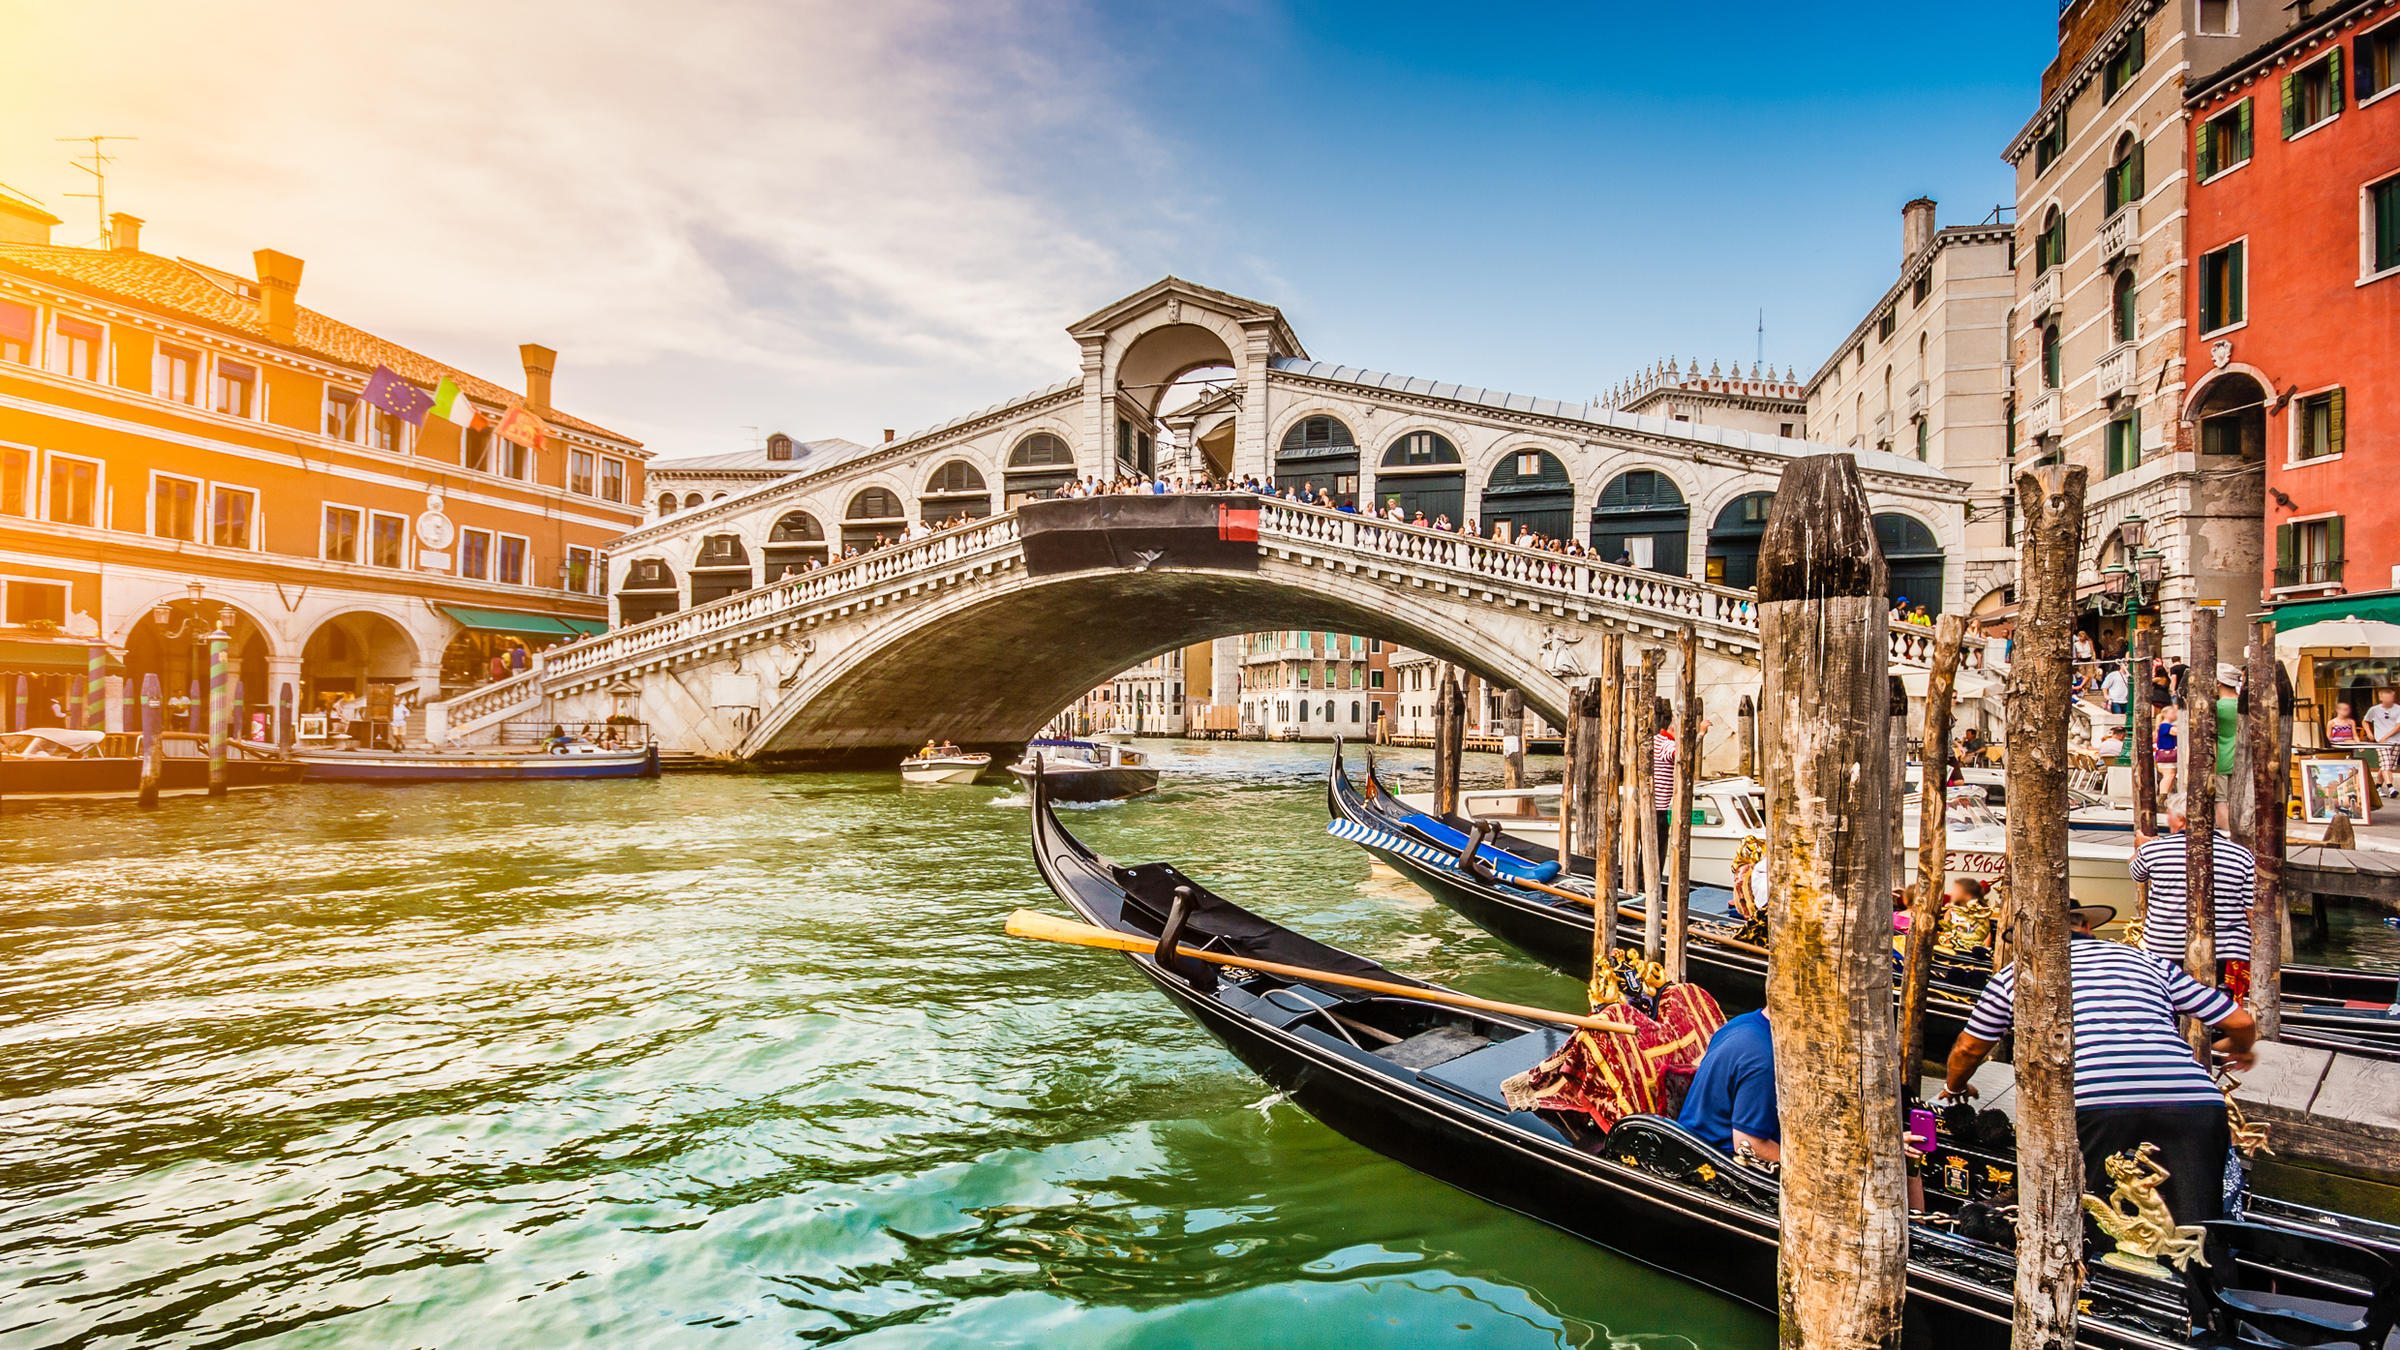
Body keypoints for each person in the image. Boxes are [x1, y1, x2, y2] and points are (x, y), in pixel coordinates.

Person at [1945, 900, 2255, 1230]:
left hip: (2093, 1101)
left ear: (2027, 940)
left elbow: (1968, 1049)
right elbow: (2240, 1021)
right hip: (2193, 1100)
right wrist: (2242, 1051)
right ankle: (2205, 1278)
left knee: (2089, 1215)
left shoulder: (2016, 974)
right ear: (2086, 928)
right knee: (2199, 1222)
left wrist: (1955, 1086)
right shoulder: (2149, 962)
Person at [2129, 790, 2257, 996]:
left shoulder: (2153, 850)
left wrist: (2139, 848)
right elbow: (2252, 910)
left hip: (2166, 948)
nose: (2166, 818)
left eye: (2168, 813)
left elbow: (2137, 874)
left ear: (2180, 819)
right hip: (2228, 949)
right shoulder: (2241, 855)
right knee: (2221, 1006)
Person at [1677, 1007, 1779, 1161]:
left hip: (1696, 1140)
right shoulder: (1766, 1062)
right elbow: (1748, 1144)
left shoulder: (1742, 1021)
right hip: (1717, 1161)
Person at [2367, 689, 2400, 798]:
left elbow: (2398, 726)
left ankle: (2378, 786)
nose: (2389, 699)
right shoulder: (2374, 710)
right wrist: (2369, 732)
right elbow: (2365, 721)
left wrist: (2386, 737)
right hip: (2381, 743)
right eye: (2386, 697)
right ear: (2381, 698)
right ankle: (2391, 787)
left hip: (2396, 741)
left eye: (2390, 697)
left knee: (2387, 766)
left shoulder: (2398, 709)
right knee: (2386, 763)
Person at [2153, 703, 2180, 796]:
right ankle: (2163, 796)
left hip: (2167, 754)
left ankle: (2165, 796)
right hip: (2167, 753)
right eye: (2173, 712)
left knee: (2171, 775)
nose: (2175, 714)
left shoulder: (2164, 725)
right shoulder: (2165, 726)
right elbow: (2176, 732)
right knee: (2169, 775)